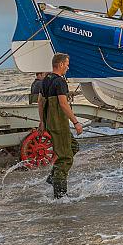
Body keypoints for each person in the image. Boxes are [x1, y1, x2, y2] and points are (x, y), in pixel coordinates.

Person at [37, 53, 83, 198]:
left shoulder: (45, 80)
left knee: (73, 146)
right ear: (61, 64)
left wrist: (42, 121)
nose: (68, 67)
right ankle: (60, 196)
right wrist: (76, 122)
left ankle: (53, 176)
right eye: (67, 64)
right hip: (58, 123)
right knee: (66, 158)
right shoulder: (60, 81)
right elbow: (63, 104)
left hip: (50, 123)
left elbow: (40, 102)